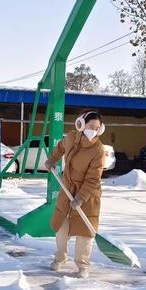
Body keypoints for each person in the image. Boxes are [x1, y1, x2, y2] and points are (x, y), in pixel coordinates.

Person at [45, 111, 106, 279]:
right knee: (61, 226)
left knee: (84, 231)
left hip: (88, 195)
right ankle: (60, 257)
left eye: (97, 128)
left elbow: (93, 179)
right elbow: (60, 148)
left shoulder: (98, 150)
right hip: (67, 190)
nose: (93, 130)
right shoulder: (71, 137)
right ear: (81, 124)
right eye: (90, 126)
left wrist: (81, 197)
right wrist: (52, 160)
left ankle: (82, 265)